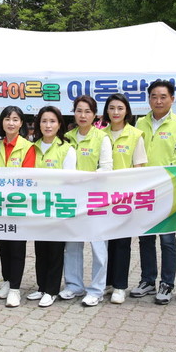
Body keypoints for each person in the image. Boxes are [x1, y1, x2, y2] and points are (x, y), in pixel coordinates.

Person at [132, 80, 176, 305]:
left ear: (172, 99)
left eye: (163, 96)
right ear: (148, 99)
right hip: (145, 190)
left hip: (169, 190)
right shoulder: (140, 123)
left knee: (167, 239)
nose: (158, 101)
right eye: (154, 96)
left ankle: (167, 283)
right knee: (145, 238)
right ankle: (147, 280)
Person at [59, 96, 112, 307]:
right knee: (72, 244)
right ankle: (74, 285)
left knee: (98, 246)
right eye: (79, 111)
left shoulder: (102, 137)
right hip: (73, 199)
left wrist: (84, 178)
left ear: (95, 115)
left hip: (96, 198)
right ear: (73, 112)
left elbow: (106, 168)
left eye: (87, 111)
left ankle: (97, 289)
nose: (83, 115)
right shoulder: (67, 137)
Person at [26, 106, 76, 308]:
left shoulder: (66, 149)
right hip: (38, 207)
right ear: (38, 124)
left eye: (52, 121)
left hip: (57, 207)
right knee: (40, 249)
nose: (48, 125)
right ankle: (41, 287)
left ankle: (52, 290)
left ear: (59, 124)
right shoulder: (33, 147)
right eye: (44, 121)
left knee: (55, 250)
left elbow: (69, 180)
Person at [102, 93, 148, 305]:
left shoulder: (135, 135)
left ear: (127, 111)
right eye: (112, 108)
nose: (116, 112)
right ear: (106, 111)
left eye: (120, 108)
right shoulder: (100, 134)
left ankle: (120, 286)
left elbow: (139, 168)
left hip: (125, 198)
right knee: (105, 242)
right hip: (102, 197)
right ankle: (107, 282)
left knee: (122, 242)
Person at [0, 106, 35, 308]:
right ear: (1, 122)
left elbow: (28, 177)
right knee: (3, 247)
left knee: (17, 247)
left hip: (18, 205)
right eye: (7, 119)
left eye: (15, 119)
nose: (11, 123)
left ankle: (15, 289)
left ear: (21, 124)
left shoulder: (28, 147)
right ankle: (7, 281)